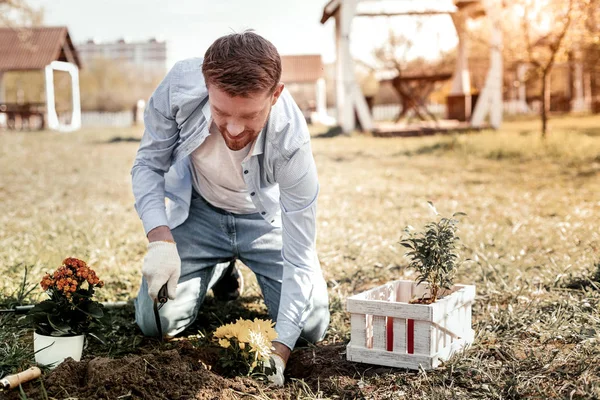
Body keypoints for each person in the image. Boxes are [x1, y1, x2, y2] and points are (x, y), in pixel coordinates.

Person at [131, 31, 330, 386]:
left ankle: (231, 261)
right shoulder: (179, 86)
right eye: (222, 112)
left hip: (264, 222)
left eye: (250, 115)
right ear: (207, 86)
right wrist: (160, 239)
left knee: (310, 325)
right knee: (154, 321)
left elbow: (300, 258)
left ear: (276, 94)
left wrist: (280, 351)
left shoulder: (292, 142)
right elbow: (148, 164)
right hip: (200, 215)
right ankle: (220, 267)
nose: (235, 129)